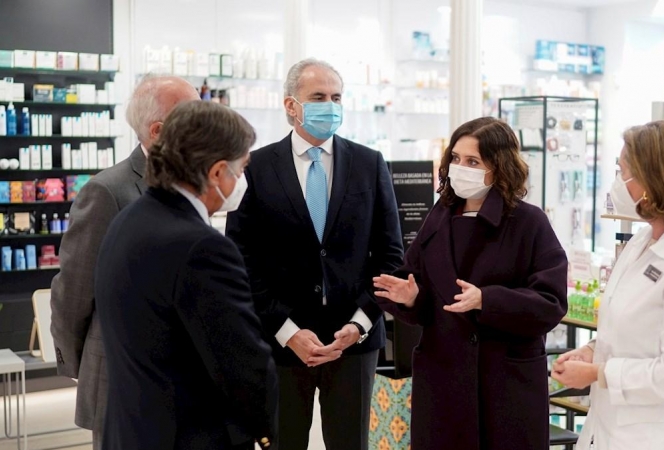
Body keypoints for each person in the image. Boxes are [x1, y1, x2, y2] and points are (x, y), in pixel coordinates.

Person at [225, 58, 403, 450]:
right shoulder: (256, 167)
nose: (330, 105)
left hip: (352, 344)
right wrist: (288, 332)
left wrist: (359, 324)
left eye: (336, 97)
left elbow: (391, 255)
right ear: (291, 105)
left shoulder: (369, 164)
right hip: (282, 344)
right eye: (319, 97)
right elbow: (241, 261)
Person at [373, 117, 568, 450]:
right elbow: (419, 287)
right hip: (443, 382)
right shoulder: (439, 216)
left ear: (499, 166)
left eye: (473, 161)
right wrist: (410, 298)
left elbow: (551, 304)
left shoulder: (529, 222)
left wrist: (487, 300)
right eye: (456, 159)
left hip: (505, 387)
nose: (460, 168)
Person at [94, 101, 278, 450]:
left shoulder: (128, 221)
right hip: (189, 436)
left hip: (131, 432)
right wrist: (266, 434)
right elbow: (243, 364)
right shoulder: (202, 247)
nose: (242, 181)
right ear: (217, 172)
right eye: (241, 170)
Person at [552, 119, 664, 450]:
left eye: (624, 172)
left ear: (655, 182)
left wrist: (597, 374)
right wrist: (591, 352)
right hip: (611, 428)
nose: (619, 183)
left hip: (658, 436)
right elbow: (630, 327)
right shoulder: (643, 240)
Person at [49, 74, 199, 448]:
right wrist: (85, 364)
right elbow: (74, 291)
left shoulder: (196, 184)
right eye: (194, 115)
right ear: (159, 130)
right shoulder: (107, 190)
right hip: (123, 379)